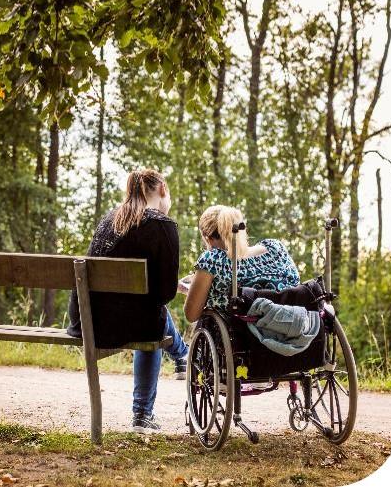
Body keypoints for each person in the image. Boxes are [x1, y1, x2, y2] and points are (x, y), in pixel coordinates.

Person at [68, 169, 188, 434]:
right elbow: (165, 294)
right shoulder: (162, 224)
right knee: (152, 316)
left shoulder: (110, 218)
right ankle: (144, 413)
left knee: (149, 312)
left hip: (87, 322)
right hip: (130, 326)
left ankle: (182, 357)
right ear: (163, 189)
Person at [181, 205, 300, 323]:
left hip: (246, 336)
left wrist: (191, 290)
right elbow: (294, 285)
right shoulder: (275, 248)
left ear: (208, 239)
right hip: (293, 327)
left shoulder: (213, 260)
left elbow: (191, 315)